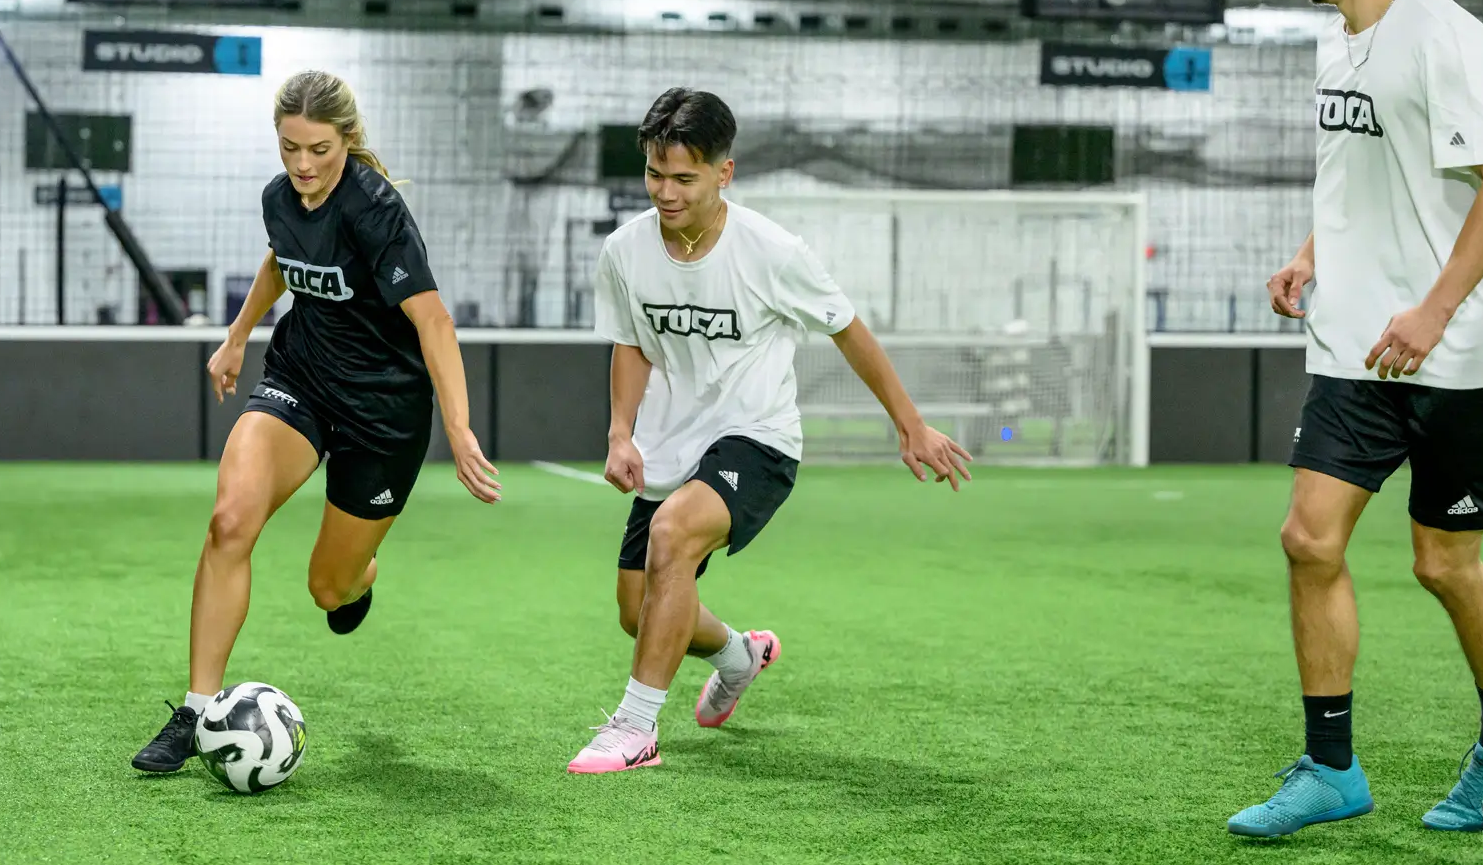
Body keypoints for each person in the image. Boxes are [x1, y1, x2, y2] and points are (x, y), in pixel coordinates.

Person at [1228, 0, 1483, 837]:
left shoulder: (1446, 38)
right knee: (1308, 539)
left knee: (1445, 565)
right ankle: (1330, 770)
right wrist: (1313, 254)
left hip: (1462, 353)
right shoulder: (1341, 42)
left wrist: (1437, 308)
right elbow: (1362, 175)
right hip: (1357, 345)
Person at [565, 87, 973, 774]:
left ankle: (635, 730)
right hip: (670, 443)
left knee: (672, 535)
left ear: (724, 173)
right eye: (655, 175)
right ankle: (738, 655)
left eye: (684, 178)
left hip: (757, 439)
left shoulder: (773, 251)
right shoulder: (625, 251)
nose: (665, 192)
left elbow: (848, 330)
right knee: (640, 614)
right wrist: (619, 433)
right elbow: (630, 343)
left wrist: (910, 424)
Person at [132, 69, 501, 773]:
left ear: (347, 140)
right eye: (289, 147)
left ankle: (359, 574)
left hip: (383, 413)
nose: (303, 165)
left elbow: (434, 321)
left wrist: (458, 427)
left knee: (329, 588)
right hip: (300, 379)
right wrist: (238, 334)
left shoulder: (376, 210)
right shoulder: (280, 197)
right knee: (229, 522)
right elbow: (282, 261)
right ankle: (195, 711)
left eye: (319, 150)